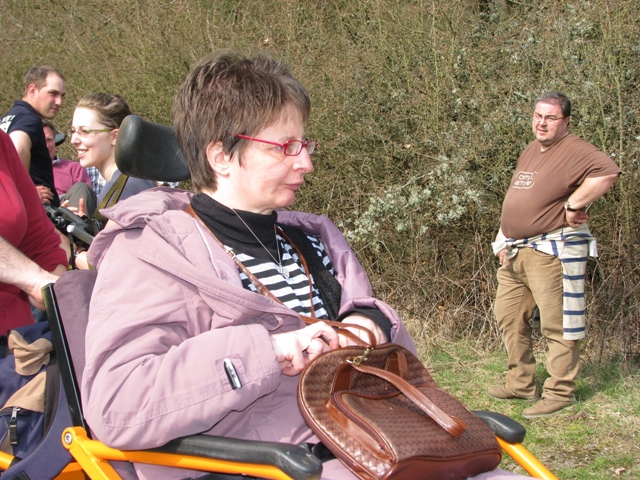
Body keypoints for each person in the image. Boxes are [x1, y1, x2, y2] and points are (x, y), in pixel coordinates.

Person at [81, 51, 526, 480]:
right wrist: (269, 351)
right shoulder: (151, 252)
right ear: (221, 156)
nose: (307, 163)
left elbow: (394, 357)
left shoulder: (313, 241)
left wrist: (370, 323)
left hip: (375, 442)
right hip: (266, 464)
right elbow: (119, 404)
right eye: (285, 147)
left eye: (305, 143)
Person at [489, 92, 620, 419]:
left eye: (550, 118)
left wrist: (574, 204)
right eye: (537, 116)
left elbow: (608, 171)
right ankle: (520, 383)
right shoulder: (532, 149)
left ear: (566, 122)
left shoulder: (575, 149)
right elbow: (519, 198)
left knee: (557, 325)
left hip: (549, 252)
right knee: (507, 315)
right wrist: (503, 238)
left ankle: (560, 393)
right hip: (516, 252)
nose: (541, 123)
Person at [0, 130, 68, 334]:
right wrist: (34, 279)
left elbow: (39, 238)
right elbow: (37, 278)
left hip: (15, 338)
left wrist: (66, 297)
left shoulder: (2, 143)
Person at [70, 93, 156, 209]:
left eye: (85, 131)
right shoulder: (134, 180)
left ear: (115, 136)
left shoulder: (121, 190)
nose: (73, 140)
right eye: (73, 131)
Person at [0, 65, 66, 207]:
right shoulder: (28, 119)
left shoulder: (9, 117)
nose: (59, 102)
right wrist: (22, 191)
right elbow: (17, 149)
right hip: (35, 216)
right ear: (32, 90)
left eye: (62, 96)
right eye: (53, 93)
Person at [42, 120, 97, 216]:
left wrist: (64, 211)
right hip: (37, 210)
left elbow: (83, 195)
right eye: (41, 141)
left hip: (68, 211)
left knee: (82, 187)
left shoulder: (73, 168)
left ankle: (77, 226)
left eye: (49, 140)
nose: (46, 145)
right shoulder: (23, 169)